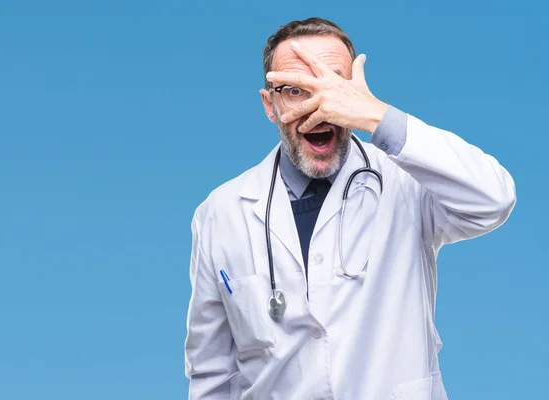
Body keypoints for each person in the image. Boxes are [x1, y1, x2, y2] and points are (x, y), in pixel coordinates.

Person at [184, 17, 516, 400]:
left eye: (334, 86)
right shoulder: (221, 213)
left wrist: (376, 115)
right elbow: (213, 375)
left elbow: (494, 199)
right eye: (294, 89)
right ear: (270, 105)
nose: (318, 106)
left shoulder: (406, 182)